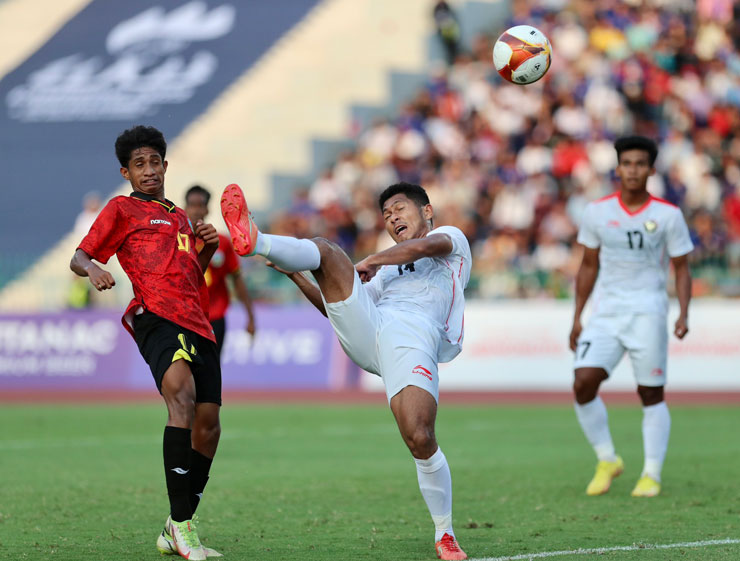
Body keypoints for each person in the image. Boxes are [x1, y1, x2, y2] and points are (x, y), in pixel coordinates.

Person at [221, 181, 471, 561]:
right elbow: (336, 309)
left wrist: (373, 260)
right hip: (372, 330)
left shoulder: (451, 239)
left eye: (400, 209)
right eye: (386, 214)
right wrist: (297, 276)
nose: (392, 218)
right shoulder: (384, 273)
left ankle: (445, 534)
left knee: (420, 436)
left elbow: (422, 247)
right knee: (326, 252)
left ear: (427, 211)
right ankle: (256, 240)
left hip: (413, 339)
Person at [70, 125, 223, 560]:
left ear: (166, 165)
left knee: (209, 426)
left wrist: (206, 251)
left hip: (198, 322)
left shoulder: (180, 216)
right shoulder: (121, 209)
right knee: (182, 400)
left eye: (155, 162)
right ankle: (185, 530)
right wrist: (93, 269)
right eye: (139, 164)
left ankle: (176, 525)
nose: (149, 170)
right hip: (155, 317)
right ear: (126, 173)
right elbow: (79, 256)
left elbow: (190, 276)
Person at [569, 136, 693, 498]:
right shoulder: (597, 212)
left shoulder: (668, 215)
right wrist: (577, 316)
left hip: (648, 312)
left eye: (640, 164)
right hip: (606, 312)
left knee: (650, 392)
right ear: (618, 168)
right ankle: (607, 459)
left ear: (651, 170)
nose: (633, 170)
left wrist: (683, 312)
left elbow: (682, 268)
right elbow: (587, 265)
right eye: (627, 163)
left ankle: (651, 473)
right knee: (583, 383)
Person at [184, 185, 257, 355]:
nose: (196, 210)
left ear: (207, 209)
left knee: (212, 367)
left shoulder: (221, 242)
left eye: (200, 205)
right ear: (184, 208)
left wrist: (251, 317)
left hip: (214, 317)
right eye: (192, 205)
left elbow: (237, 280)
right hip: (186, 317)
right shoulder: (179, 241)